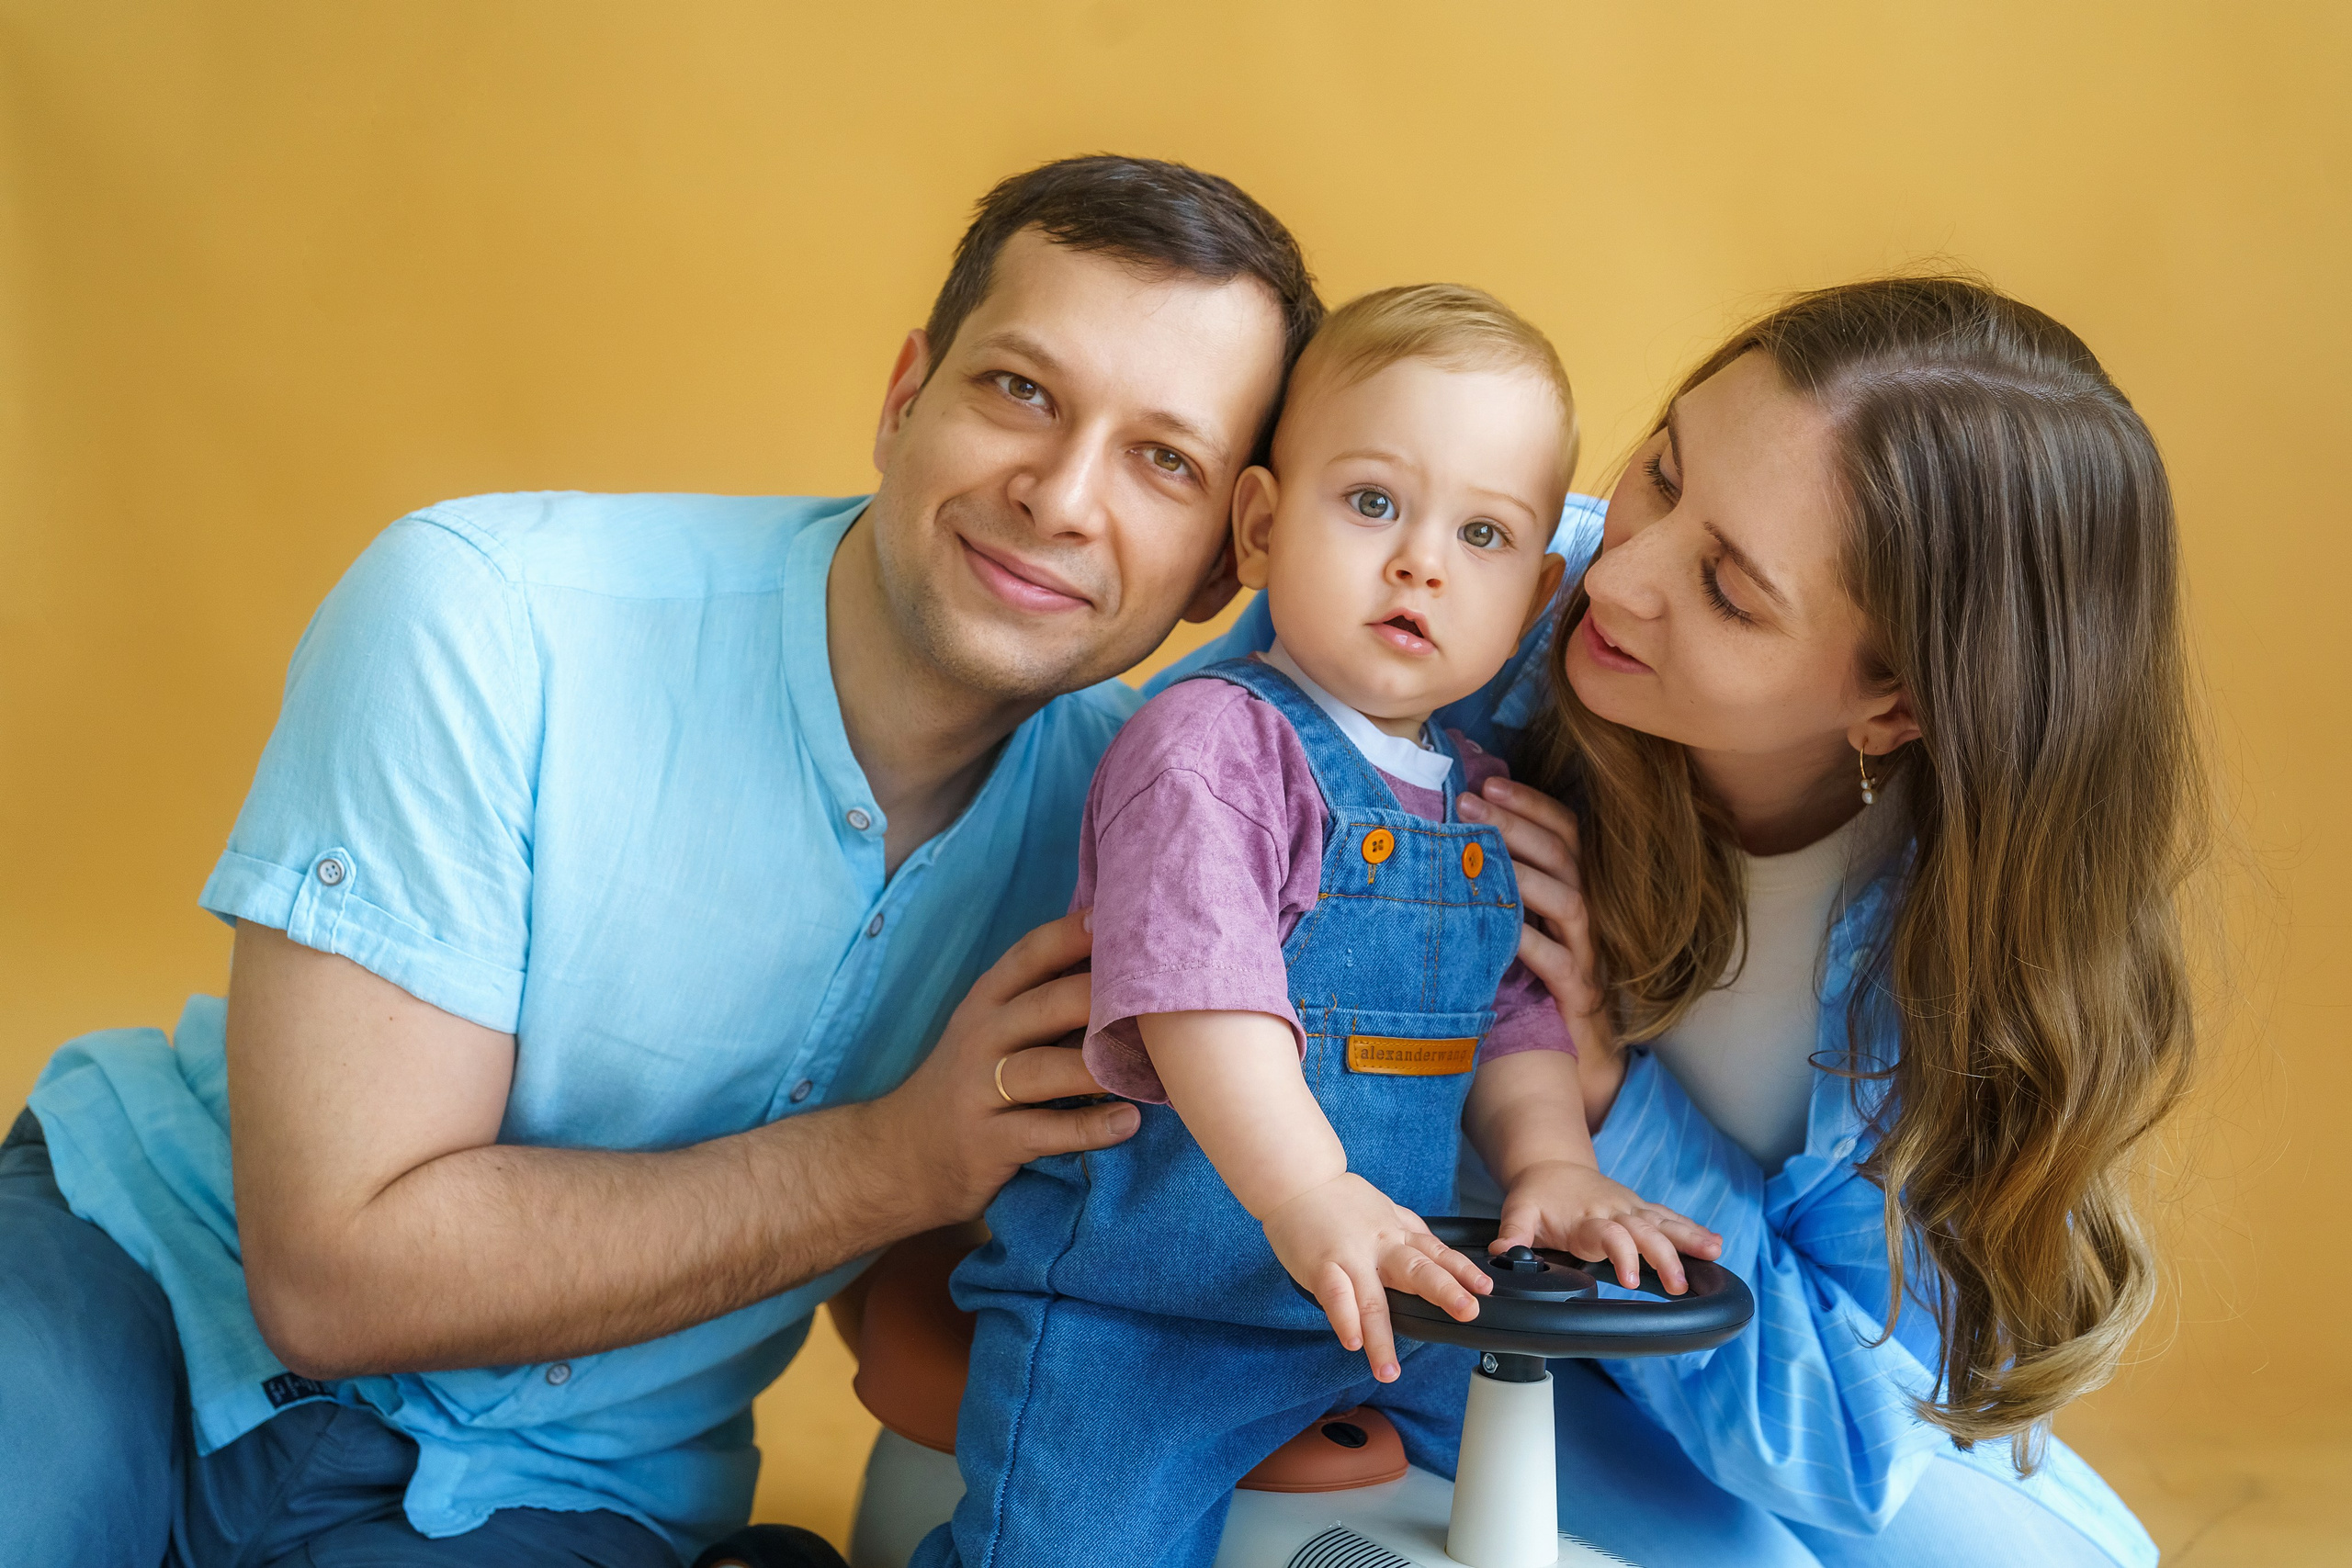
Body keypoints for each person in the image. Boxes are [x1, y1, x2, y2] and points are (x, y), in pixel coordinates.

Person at [0, 154, 1330, 1565]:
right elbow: (335, 1276)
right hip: (139, 1283)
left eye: (1163, 460)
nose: (1061, 496)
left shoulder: (1149, 842)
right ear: (904, 398)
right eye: (1020, 391)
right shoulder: (490, 616)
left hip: (570, 1490)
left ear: (1222, 564)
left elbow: (1470, 554)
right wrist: (896, 1161)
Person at [1363, 276, 2195, 1565]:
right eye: (1661, 473)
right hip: (1407, 1319)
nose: (1613, 575)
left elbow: (1844, 1440)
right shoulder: (1461, 593)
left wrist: (1607, 1098)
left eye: (1730, 591)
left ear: (1895, 710)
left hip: (1715, 1372)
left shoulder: (1948, 955)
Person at [915, 285, 1719, 1568]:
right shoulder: (1214, 748)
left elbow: (1503, 1015)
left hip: (1379, 1305)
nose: (1422, 562)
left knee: (1564, 1507)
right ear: (1259, 525)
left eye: (1486, 535)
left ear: (1540, 594)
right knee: (1072, 1546)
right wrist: (1311, 1192)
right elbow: (1200, 995)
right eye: (1371, 504)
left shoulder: (1473, 794)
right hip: (1153, 1315)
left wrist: (1552, 1165)